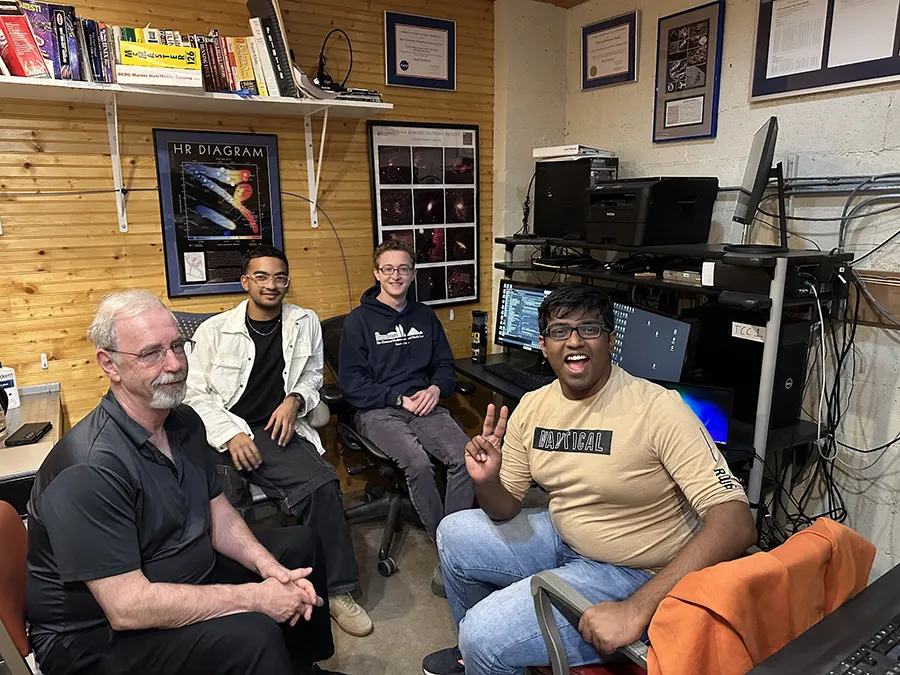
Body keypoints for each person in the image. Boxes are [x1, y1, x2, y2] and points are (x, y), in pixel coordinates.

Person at [422, 284, 757, 675]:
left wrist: (636, 608)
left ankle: (485, 650)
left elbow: (736, 521)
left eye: (590, 329)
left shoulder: (657, 409)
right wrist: (487, 481)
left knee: (482, 635)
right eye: (560, 331)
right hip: (565, 536)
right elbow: (504, 508)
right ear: (544, 346)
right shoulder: (533, 406)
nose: (575, 341)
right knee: (453, 532)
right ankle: (480, 659)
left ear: (611, 340)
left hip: (634, 572)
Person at [26, 289, 345, 675]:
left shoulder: (184, 422)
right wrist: (255, 598)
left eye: (178, 345)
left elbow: (218, 512)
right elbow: (127, 608)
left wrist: (268, 569)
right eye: (151, 353)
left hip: (174, 571)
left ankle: (298, 667)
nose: (175, 363)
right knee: (252, 631)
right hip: (95, 636)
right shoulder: (88, 468)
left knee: (299, 548)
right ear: (109, 364)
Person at [184, 245, 372, 638]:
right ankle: (243, 598)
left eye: (280, 277)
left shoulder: (305, 322)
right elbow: (194, 394)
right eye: (262, 277)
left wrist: (294, 400)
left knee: (322, 485)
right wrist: (230, 433)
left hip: (274, 430)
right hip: (222, 430)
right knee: (222, 507)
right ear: (245, 282)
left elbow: (313, 378)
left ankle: (337, 590)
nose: (272, 285)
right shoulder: (214, 331)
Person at [338, 240, 474, 589]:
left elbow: (445, 366)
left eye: (402, 269)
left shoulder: (424, 316)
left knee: (466, 457)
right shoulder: (359, 321)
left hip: (424, 404)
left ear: (412, 274)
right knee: (417, 462)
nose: (395, 275)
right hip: (378, 410)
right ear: (376, 273)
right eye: (388, 269)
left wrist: (434, 390)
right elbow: (353, 385)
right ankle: (450, 552)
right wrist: (399, 399)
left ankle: (455, 543)